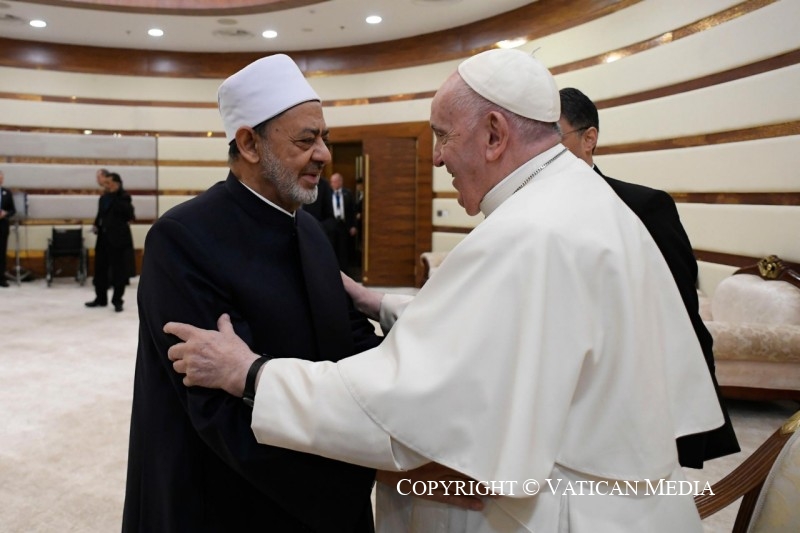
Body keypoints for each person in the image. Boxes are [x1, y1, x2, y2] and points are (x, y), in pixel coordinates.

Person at [165, 49, 725, 532]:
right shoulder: (576, 197)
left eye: (442, 135)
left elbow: (406, 393)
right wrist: (381, 304)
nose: (435, 156)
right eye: (306, 139)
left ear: (495, 134)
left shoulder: (529, 231)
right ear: (249, 144)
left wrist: (253, 375)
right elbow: (495, 336)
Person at [122, 54, 388, 532]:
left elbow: (349, 341)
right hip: (231, 499)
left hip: (322, 481)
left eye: (323, 138)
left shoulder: (309, 230)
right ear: (248, 143)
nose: (324, 154)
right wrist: (346, 479)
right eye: (306, 140)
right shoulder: (182, 237)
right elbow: (215, 409)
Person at [558, 87, 739, 468]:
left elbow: (680, 307)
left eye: (554, 138)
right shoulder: (523, 211)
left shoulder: (643, 206)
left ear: (589, 138)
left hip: (630, 391)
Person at [85, 172, 135, 312]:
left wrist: (115, 196)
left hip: (118, 240)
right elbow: (100, 215)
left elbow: (129, 215)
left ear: (117, 184)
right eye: (105, 183)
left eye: (108, 183)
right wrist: (96, 225)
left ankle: (117, 300)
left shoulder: (124, 197)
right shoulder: (103, 198)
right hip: (103, 239)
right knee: (100, 269)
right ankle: (100, 298)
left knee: (118, 271)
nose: (105, 185)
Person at [0, 169, 17, 287]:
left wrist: (5, 213)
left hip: (2, 226)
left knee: (1, 252)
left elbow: (13, 210)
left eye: (1, 178)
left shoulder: (7, 193)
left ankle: (1, 278)